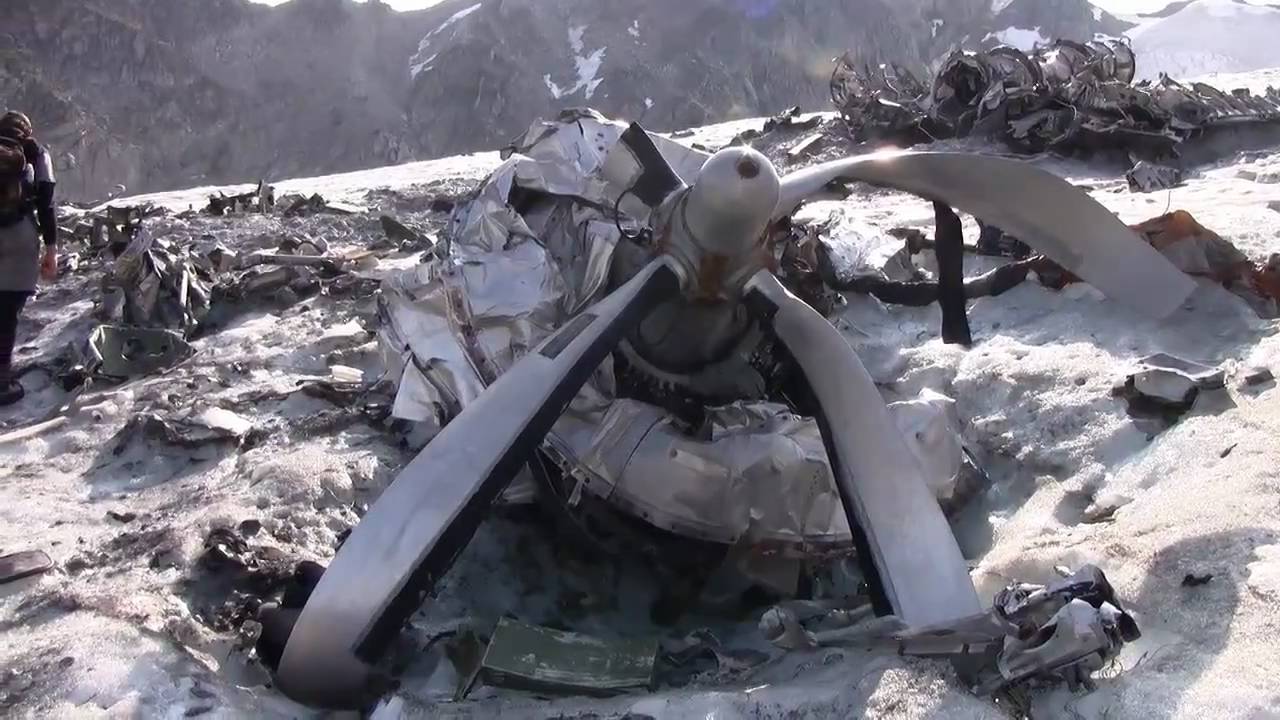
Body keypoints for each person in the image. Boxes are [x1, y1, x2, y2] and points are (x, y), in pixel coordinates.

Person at [0, 111, 58, 405]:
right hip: (20, 237)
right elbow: (46, 204)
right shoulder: (35, 154)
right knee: (7, 311)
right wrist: (51, 249)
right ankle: (1, 384)